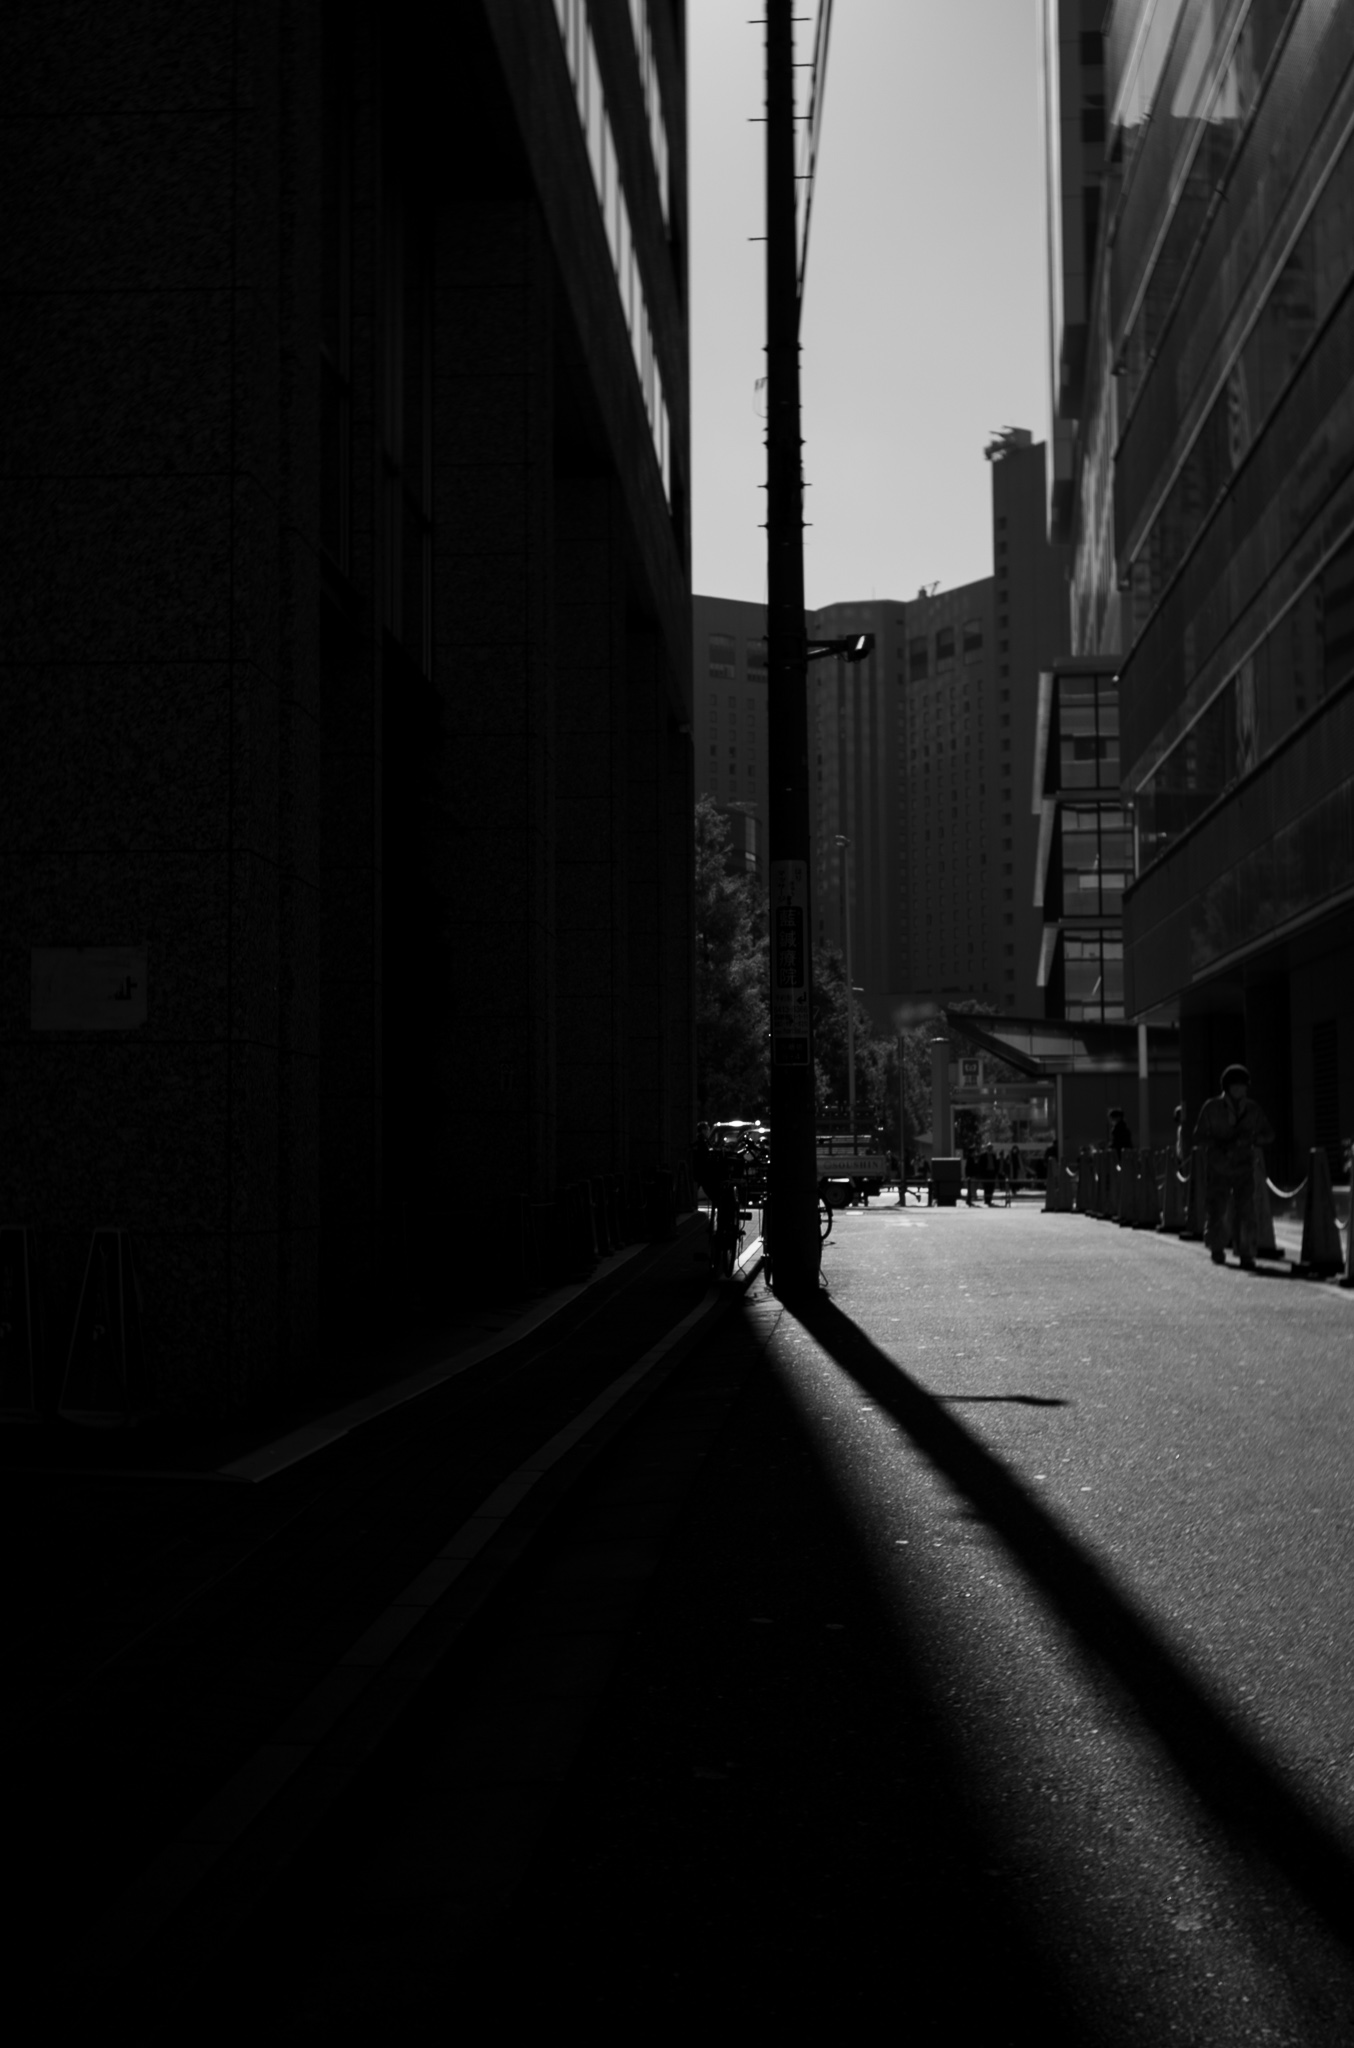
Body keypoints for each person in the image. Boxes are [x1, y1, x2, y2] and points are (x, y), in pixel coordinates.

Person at [1193, 1065, 1275, 1269]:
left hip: (1243, 1167)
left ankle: (1247, 1253)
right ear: (1227, 1087)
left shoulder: (1253, 1109)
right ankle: (1217, 1248)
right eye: (1235, 1086)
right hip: (1218, 1167)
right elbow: (1198, 1137)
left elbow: (1269, 1134)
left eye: (1243, 1086)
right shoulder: (1212, 1107)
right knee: (1217, 1209)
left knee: (1246, 1210)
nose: (1240, 1090)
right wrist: (1220, 1144)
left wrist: (1251, 1139)